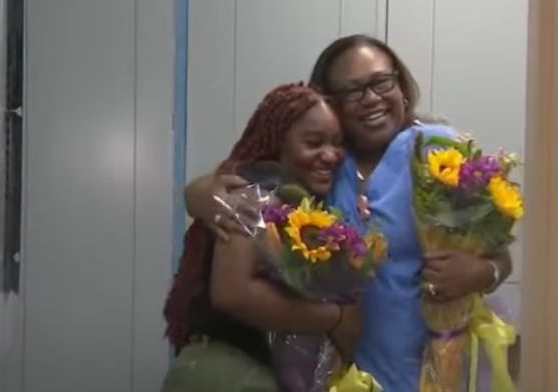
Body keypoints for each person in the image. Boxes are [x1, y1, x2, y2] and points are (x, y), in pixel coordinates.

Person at [185, 35, 513, 391]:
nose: (371, 98)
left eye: (381, 82)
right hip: (344, 375)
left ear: (401, 87)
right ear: (330, 101)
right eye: (353, 90)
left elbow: (498, 252)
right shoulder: (323, 164)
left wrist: (484, 270)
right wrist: (205, 196)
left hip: (439, 366)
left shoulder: (436, 152)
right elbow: (237, 175)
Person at [161, 83, 359, 392]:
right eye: (314, 142)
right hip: (228, 372)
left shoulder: (297, 203)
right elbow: (233, 293)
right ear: (277, 142)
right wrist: (334, 317)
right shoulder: (253, 192)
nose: (330, 155)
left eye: (337, 143)